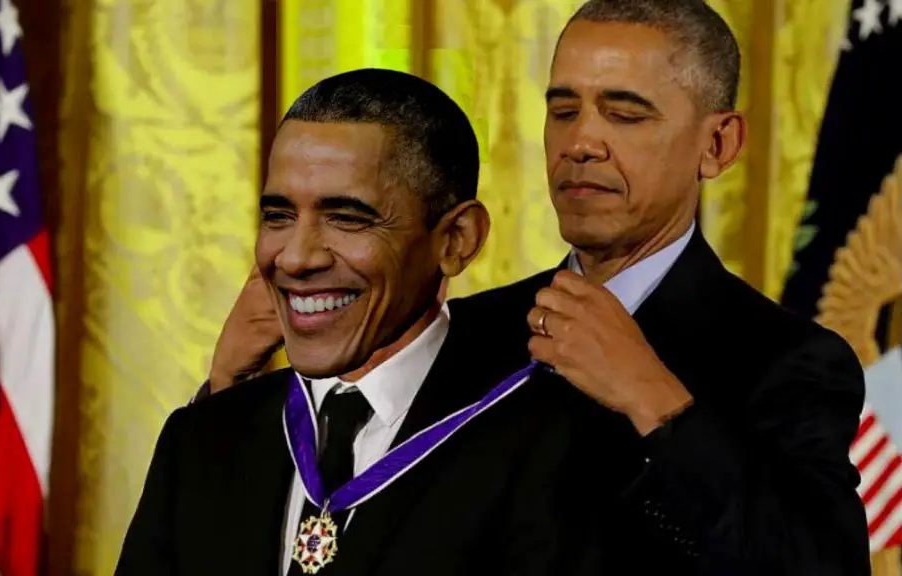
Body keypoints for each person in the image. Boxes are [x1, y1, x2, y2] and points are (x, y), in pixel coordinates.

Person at [202, 1, 871, 574]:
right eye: (564, 111)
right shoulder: (460, 333)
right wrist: (227, 393)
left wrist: (653, 401)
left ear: (718, 145)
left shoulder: (787, 360)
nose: (581, 144)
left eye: (624, 114)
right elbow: (339, 527)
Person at [118, 68, 572, 575]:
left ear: (455, 240)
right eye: (278, 216)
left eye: (347, 218)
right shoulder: (201, 439)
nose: (295, 258)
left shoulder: (550, 446)